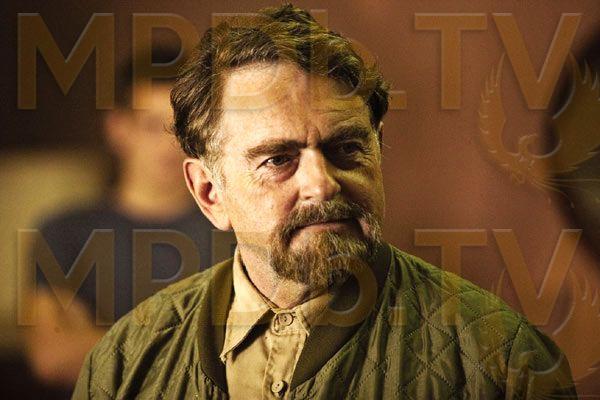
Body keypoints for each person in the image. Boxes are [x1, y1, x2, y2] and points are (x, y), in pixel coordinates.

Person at [72, 5, 577, 399]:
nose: (322, 183)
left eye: (347, 149)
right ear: (209, 192)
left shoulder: (505, 362)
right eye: (278, 159)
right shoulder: (124, 364)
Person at [25, 47, 215, 390]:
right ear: (117, 128)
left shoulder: (232, 229)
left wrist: (100, 340)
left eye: (181, 127)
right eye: (152, 126)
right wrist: (193, 349)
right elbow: (53, 355)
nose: (169, 144)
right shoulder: (65, 233)